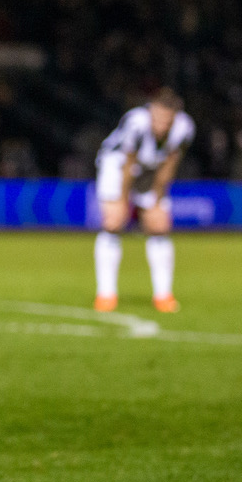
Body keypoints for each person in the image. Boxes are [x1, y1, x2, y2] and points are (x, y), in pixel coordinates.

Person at [93, 88, 195, 313]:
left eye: (166, 120)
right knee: (113, 222)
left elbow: (169, 164)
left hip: (151, 169)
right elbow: (129, 165)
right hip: (117, 164)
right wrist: (122, 200)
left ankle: (163, 296)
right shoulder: (136, 122)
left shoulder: (184, 128)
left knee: (159, 224)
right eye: (157, 118)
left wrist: (158, 199)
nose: (160, 125)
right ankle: (106, 295)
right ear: (150, 111)